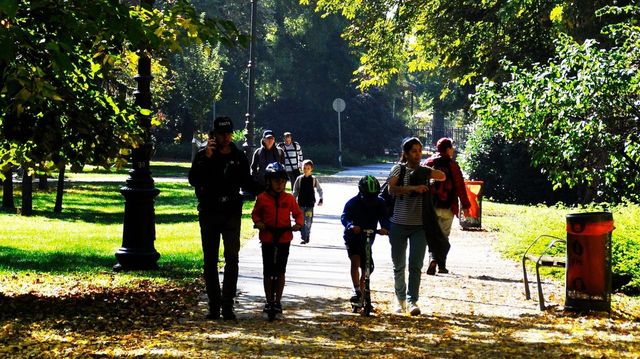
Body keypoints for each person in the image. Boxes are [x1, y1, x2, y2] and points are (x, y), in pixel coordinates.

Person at [188, 116, 262, 320]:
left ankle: (227, 305)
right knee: (210, 260)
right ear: (214, 135)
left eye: (229, 133)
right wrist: (207, 158)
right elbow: (193, 179)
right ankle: (214, 305)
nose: (226, 137)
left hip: (231, 212)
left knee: (232, 259)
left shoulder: (238, 156)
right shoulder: (204, 155)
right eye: (222, 134)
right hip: (209, 212)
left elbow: (246, 182)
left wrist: (265, 189)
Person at [386, 137, 445, 316]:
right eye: (414, 151)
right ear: (405, 153)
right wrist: (413, 188)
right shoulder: (399, 169)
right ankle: (400, 299)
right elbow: (391, 189)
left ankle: (412, 301)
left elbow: (442, 176)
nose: (417, 154)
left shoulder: (423, 171)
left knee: (415, 265)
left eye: (419, 150)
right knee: (399, 265)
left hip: (419, 226)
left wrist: (428, 171)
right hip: (398, 224)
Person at [252, 162, 304, 319]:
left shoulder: (288, 198)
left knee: (280, 270)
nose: (279, 184)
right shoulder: (262, 198)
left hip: (283, 237)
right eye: (276, 181)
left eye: (282, 181)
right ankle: (269, 300)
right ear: (268, 182)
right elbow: (255, 214)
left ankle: (278, 301)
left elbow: (298, 213)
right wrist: (259, 223)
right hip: (267, 237)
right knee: (268, 270)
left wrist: (298, 224)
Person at [423, 137, 472, 274]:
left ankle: (433, 259)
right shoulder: (453, 166)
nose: (453, 150)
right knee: (444, 237)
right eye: (452, 147)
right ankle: (441, 265)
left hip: (432, 206)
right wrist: (466, 206)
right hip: (448, 207)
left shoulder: (429, 162)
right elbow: (460, 187)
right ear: (448, 149)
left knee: (433, 236)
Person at [341, 175, 390, 309]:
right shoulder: (352, 203)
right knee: (355, 260)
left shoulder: (379, 202)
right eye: (368, 196)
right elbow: (345, 217)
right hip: (353, 236)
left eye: (373, 196)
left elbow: (384, 217)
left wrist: (385, 228)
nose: (370, 199)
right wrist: (351, 226)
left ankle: (363, 294)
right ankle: (356, 289)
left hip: (369, 236)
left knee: (367, 267)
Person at [292, 159, 323, 244]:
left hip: (310, 204)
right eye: (304, 168)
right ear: (301, 168)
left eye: (308, 168)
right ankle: (304, 237)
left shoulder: (314, 179)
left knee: (308, 221)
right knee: (301, 221)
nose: (306, 170)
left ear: (311, 169)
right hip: (301, 204)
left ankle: (307, 235)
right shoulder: (299, 179)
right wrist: (292, 200)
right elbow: (295, 191)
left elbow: (319, 189)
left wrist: (321, 198)